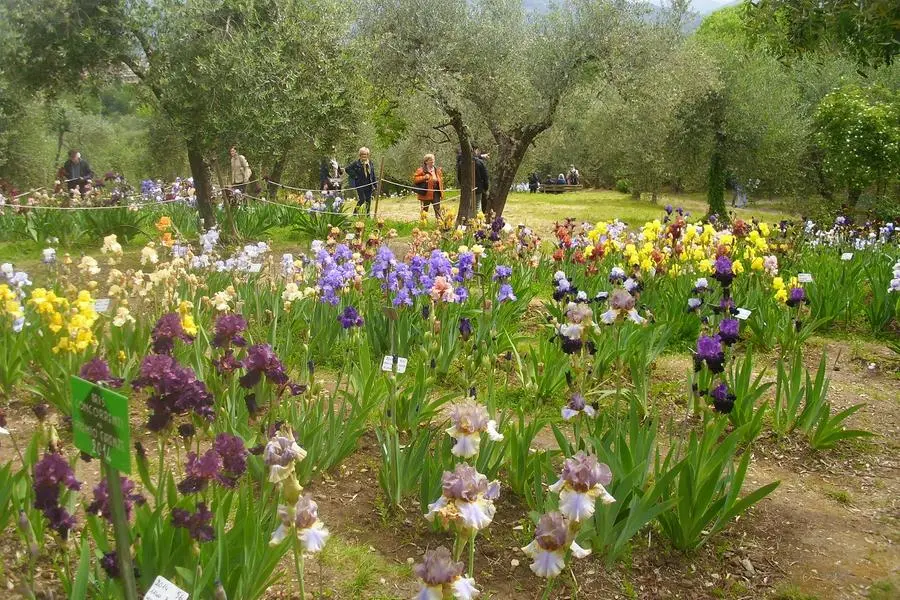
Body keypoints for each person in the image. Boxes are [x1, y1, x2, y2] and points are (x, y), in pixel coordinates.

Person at [456, 147, 490, 214]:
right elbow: (485, 176)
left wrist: (462, 186)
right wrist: (486, 187)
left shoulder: (461, 163)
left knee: (468, 207)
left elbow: (459, 177)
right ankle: (474, 222)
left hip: (467, 189)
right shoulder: (479, 162)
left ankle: (469, 221)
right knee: (476, 207)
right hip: (478, 189)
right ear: (473, 151)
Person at [345, 147, 378, 216]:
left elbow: (373, 175)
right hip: (360, 184)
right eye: (362, 154)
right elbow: (347, 169)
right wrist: (355, 176)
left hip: (369, 184)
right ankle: (355, 213)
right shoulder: (356, 163)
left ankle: (367, 215)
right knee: (362, 199)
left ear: (368, 155)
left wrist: (375, 185)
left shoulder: (370, 163)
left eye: (365, 154)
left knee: (368, 200)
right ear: (360, 155)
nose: (364, 155)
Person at [413, 153, 444, 219]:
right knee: (425, 209)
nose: (432, 161)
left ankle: (440, 224)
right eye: (430, 160)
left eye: (433, 159)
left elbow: (441, 181)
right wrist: (424, 177)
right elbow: (415, 179)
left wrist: (441, 192)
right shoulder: (421, 170)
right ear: (426, 161)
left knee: (437, 208)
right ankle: (423, 224)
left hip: (436, 192)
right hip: (426, 193)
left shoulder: (437, 170)